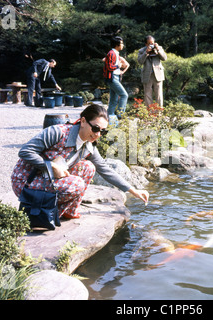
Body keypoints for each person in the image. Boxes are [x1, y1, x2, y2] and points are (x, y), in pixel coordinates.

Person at [11, 104, 149, 219]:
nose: (98, 134)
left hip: (48, 179)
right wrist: (51, 165)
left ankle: (68, 211)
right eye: (95, 128)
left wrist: (133, 190)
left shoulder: (88, 146)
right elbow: (25, 151)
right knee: (77, 184)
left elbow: (105, 169)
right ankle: (46, 213)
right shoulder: (57, 132)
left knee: (88, 167)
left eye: (103, 131)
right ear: (82, 121)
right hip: (26, 181)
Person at [103, 36, 129, 122]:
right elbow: (109, 67)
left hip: (115, 77)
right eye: (121, 43)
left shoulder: (116, 53)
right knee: (124, 95)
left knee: (113, 100)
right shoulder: (111, 53)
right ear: (117, 44)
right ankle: (120, 116)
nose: (123, 45)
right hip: (112, 78)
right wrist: (118, 66)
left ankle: (108, 118)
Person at [137, 35, 167, 107]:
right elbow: (140, 61)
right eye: (149, 43)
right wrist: (146, 52)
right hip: (147, 75)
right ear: (146, 44)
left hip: (158, 74)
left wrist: (158, 50)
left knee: (159, 94)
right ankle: (149, 113)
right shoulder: (141, 51)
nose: (151, 45)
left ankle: (159, 112)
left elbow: (164, 58)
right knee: (147, 95)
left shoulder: (159, 48)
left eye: (153, 43)